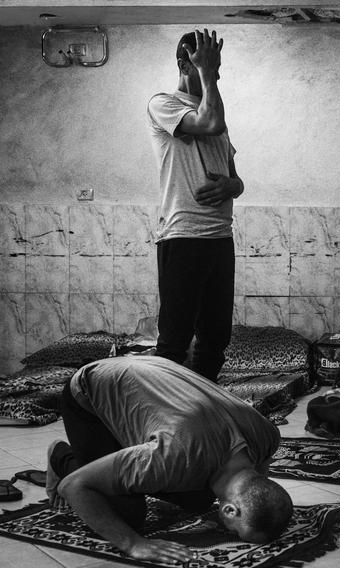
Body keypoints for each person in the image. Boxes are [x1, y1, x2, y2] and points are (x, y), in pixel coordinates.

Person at [46, 356, 293, 564]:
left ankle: (123, 453)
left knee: (198, 499)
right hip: (89, 392)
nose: (229, 532)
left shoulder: (266, 436)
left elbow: (261, 471)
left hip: (146, 372)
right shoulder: (174, 456)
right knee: (128, 515)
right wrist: (133, 544)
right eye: (234, 530)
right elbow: (74, 486)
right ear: (230, 509)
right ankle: (61, 456)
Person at [147, 28, 244, 381]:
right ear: (183, 65)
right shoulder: (163, 104)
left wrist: (231, 186)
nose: (213, 76)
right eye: (205, 68)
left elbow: (237, 179)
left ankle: (204, 409)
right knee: (174, 340)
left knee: (216, 340)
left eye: (216, 70)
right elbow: (209, 122)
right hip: (183, 236)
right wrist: (205, 71)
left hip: (220, 239)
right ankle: (165, 419)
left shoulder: (217, 113)